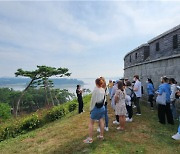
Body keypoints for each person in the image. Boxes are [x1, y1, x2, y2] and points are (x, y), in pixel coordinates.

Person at [83, 78, 105, 144]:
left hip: (96, 108)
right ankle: (101, 135)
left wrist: (91, 109)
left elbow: (93, 101)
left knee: (91, 123)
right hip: (102, 107)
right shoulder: (103, 89)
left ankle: (90, 139)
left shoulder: (95, 90)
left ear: (96, 83)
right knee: (101, 121)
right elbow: (104, 99)